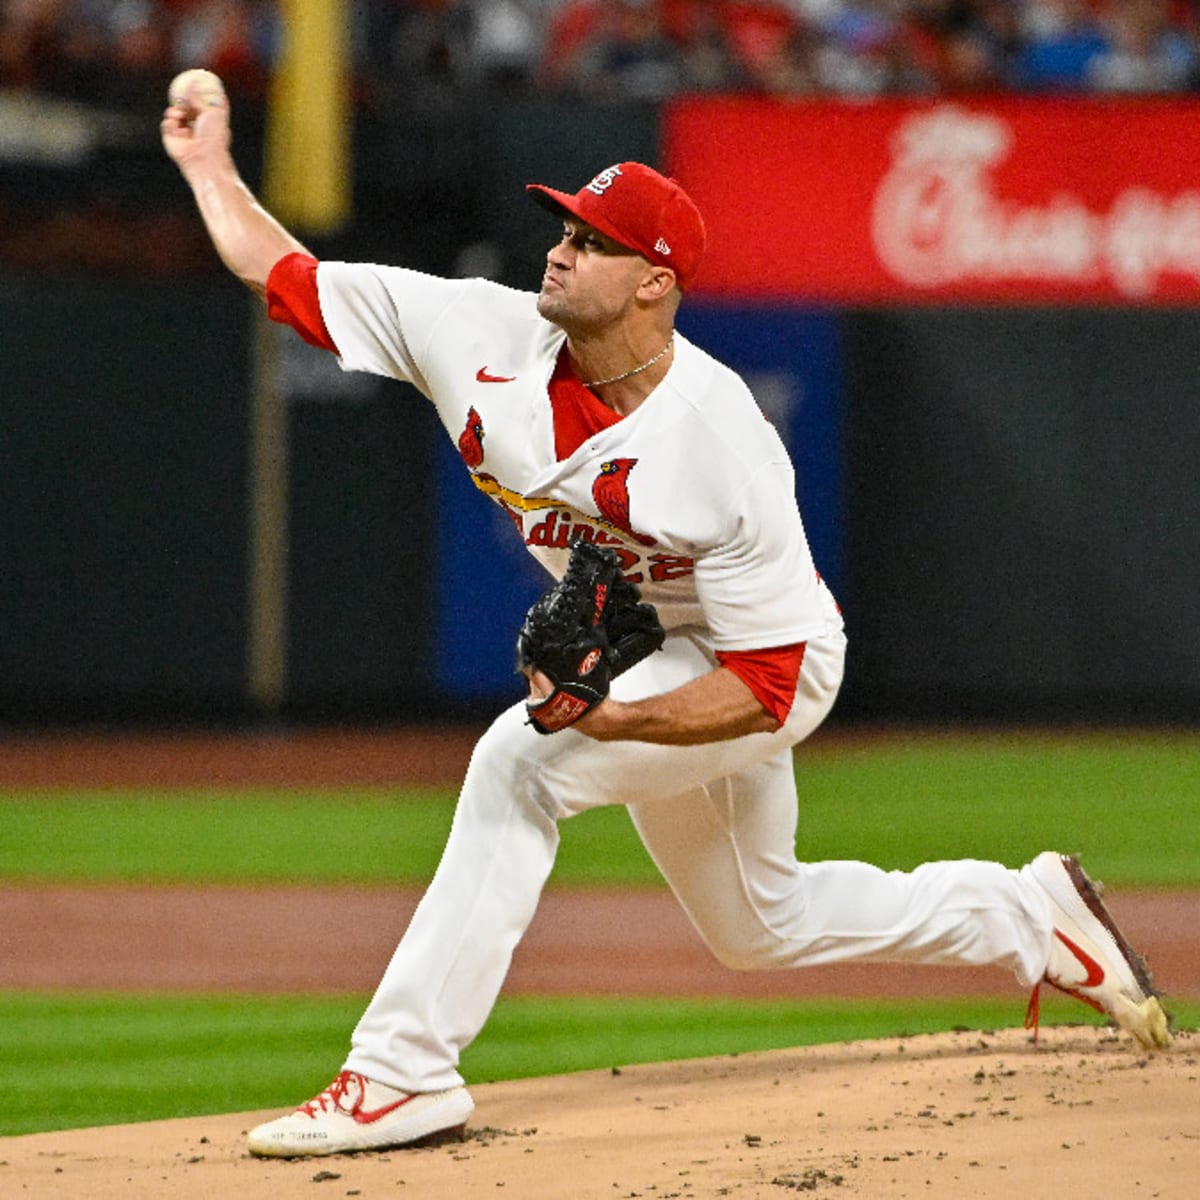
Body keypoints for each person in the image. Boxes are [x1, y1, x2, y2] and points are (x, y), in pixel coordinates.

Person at [160, 76, 1170, 1158]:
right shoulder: (474, 330)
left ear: (654, 282)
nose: (558, 250)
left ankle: (400, 1074)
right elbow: (285, 272)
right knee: (758, 924)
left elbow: (770, 685)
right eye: (563, 226)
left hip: (761, 661)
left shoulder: (721, 443)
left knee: (520, 763)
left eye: (591, 241)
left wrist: (609, 722)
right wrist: (209, 167)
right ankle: (1027, 912)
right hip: (649, 637)